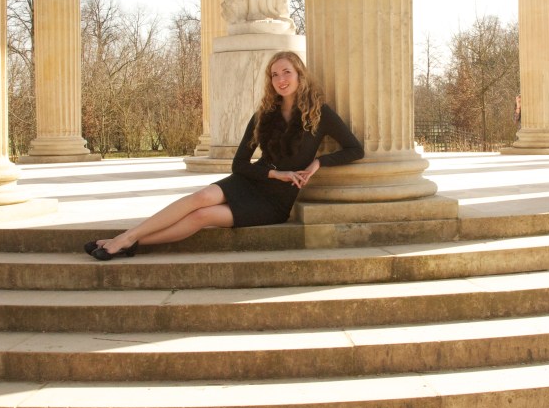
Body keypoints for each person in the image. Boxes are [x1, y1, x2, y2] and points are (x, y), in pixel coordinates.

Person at [86, 51, 364, 260]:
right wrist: (274, 172)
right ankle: (125, 238)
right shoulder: (263, 116)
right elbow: (239, 164)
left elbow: (355, 149)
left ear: (300, 74)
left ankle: (128, 242)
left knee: (201, 216)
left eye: (286, 72)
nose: (280, 79)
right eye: (274, 75)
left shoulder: (320, 114)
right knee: (201, 197)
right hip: (254, 180)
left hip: (275, 201)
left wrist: (317, 163)